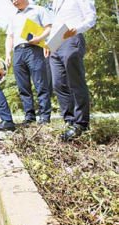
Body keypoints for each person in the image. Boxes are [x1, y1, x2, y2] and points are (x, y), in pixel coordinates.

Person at [47, 0, 96, 141]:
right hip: (56, 44)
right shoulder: (54, 4)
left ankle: (81, 124)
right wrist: (49, 45)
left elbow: (91, 17)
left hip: (72, 38)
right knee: (58, 84)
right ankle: (69, 121)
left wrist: (77, 28)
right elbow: (56, 25)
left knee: (75, 81)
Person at [5, 0, 52, 125]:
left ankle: (44, 117)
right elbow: (10, 36)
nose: (14, 2)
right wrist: (8, 54)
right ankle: (29, 116)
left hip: (34, 50)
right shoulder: (13, 16)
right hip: (18, 52)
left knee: (40, 84)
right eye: (11, 0)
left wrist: (40, 38)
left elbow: (48, 28)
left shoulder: (38, 10)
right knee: (23, 86)